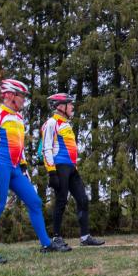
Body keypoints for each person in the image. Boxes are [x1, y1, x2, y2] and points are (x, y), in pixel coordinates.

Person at [0, 79, 70, 264]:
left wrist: (24, 167)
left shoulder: (19, 118)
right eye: (22, 96)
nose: (24, 101)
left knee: (34, 202)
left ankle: (46, 244)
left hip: (14, 168)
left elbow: (19, 146)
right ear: (11, 95)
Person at [41, 93, 105, 249]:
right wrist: (52, 172)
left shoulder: (66, 124)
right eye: (70, 104)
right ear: (61, 107)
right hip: (59, 167)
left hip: (71, 168)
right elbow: (46, 148)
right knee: (61, 202)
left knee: (83, 199)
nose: (72, 107)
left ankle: (85, 237)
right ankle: (56, 237)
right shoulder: (51, 123)